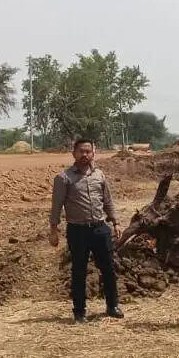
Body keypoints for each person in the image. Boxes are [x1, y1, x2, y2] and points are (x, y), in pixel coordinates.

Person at [49, 138, 123, 323]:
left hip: (100, 228)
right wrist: (53, 230)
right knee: (79, 270)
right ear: (73, 153)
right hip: (77, 231)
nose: (85, 155)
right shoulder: (64, 178)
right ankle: (80, 311)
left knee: (108, 268)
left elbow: (108, 201)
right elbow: (56, 206)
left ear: (93, 153)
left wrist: (116, 222)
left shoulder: (99, 175)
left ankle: (112, 305)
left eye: (88, 151)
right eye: (81, 151)